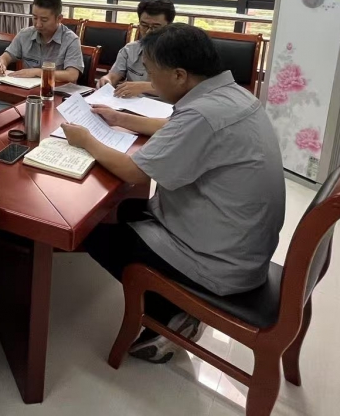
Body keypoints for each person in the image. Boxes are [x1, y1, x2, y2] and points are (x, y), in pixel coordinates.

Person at [63, 24, 285, 364]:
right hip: (241, 244)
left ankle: (171, 315)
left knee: (93, 233)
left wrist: (86, 140)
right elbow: (174, 127)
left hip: (219, 262)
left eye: (152, 74)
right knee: (128, 210)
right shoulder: (232, 95)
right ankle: (169, 303)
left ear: (180, 75)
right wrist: (119, 118)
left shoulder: (203, 113)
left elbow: (134, 171)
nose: (150, 82)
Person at [0, 0, 83, 84]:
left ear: (59, 18)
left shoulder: (71, 40)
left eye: (44, 20)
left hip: (57, 90)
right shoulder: (25, 34)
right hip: (28, 88)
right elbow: (6, 56)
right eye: (35, 18)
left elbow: (72, 75)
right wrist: (0, 63)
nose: (38, 24)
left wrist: (38, 72)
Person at [98, 0, 176, 98]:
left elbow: (182, 90)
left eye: (156, 27)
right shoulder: (130, 50)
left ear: (169, 27)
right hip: (130, 102)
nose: (148, 32)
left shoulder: (180, 53)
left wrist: (144, 87)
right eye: (144, 25)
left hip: (164, 104)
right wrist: (107, 79)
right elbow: (114, 76)